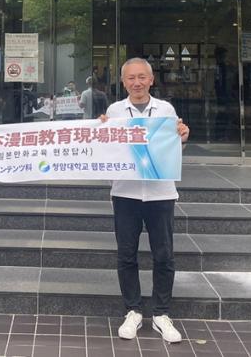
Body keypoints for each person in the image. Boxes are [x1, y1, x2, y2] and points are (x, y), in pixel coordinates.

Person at [100, 58, 189, 344]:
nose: (136, 83)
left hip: (161, 194)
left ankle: (161, 313)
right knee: (126, 255)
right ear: (123, 82)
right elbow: (106, 149)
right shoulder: (114, 111)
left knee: (164, 255)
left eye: (141, 77)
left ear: (151, 80)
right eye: (131, 78)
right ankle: (133, 311)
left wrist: (183, 136)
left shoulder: (165, 110)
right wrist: (98, 132)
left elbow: (173, 144)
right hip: (125, 193)